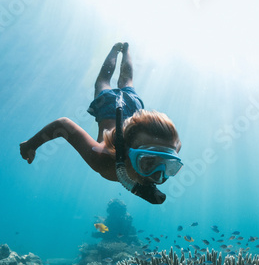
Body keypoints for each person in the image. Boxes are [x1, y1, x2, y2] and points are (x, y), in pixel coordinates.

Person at [20, 42, 182, 204]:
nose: (158, 176)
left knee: (127, 80)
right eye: (147, 163)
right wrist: (30, 145)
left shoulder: (151, 161)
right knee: (104, 80)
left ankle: (121, 50)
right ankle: (119, 50)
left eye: (168, 165)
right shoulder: (101, 160)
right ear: (125, 152)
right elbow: (63, 125)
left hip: (134, 107)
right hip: (109, 105)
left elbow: (174, 147)